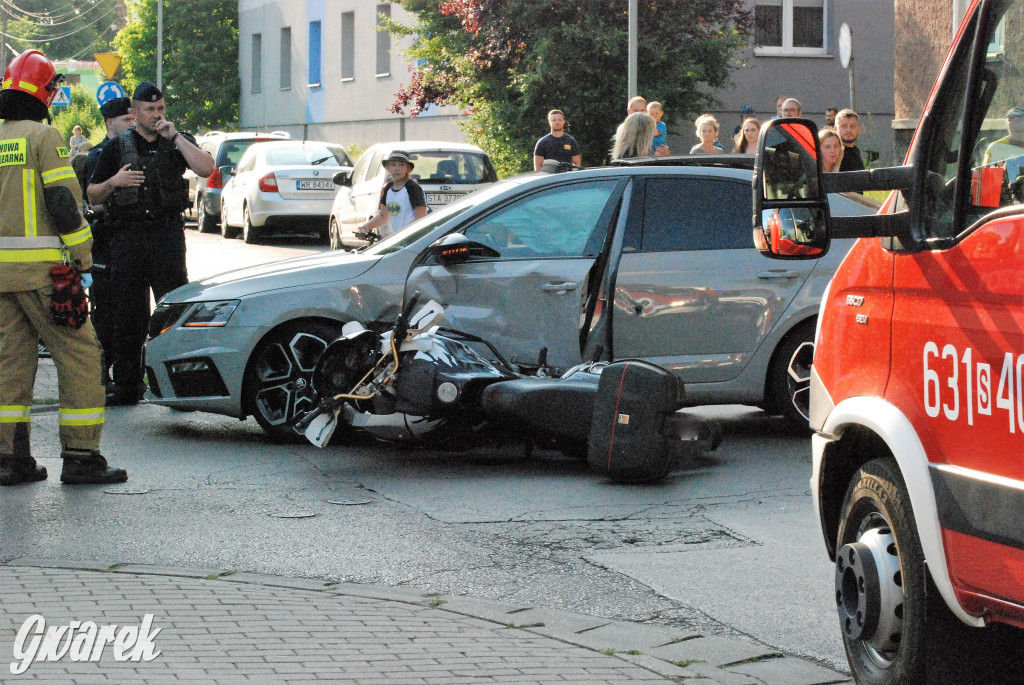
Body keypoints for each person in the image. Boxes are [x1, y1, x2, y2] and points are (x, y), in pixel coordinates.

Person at [0, 50, 127, 486]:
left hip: (2, 279)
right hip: (42, 274)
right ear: (47, 93)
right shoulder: (46, 137)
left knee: (10, 366)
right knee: (82, 358)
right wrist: (83, 256)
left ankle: (10, 460)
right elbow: (61, 203)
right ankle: (81, 458)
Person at [87, 82, 214, 406]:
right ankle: (128, 385)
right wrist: (115, 183)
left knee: (175, 312)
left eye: (160, 109)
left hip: (166, 237)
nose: (157, 115)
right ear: (135, 113)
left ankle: (182, 386)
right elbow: (93, 194)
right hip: (128, 237)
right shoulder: (117, 148)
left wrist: (176, 137)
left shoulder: (177, 141)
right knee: (129, 314)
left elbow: (206, 168)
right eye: (149, 110)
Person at [77, 97, 134, 388]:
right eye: (126, 120)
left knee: (130, 313)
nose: (132, 124)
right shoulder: (98, 154)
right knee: (107, 313)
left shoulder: (135, 150)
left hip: (129, 242)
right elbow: (93, 201)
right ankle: (101, 375)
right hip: (105, 242)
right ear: (110, 122)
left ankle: (129, 377)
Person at [357, 150, 427, 239]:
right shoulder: (388, 188)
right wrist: (365, 228)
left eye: (401, 165)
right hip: (397, 240)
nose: (397, 169)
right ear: (388, 168)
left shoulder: (412, 188)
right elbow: (383, 216)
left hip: (412, 240)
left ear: (408, 169)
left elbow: (421, 219)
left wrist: (397, 235)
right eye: (393, 165)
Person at [983, 107, 1024, 181]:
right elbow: (986, 178)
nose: (1013, 123)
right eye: (1010, 120)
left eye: (1018, 120)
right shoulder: (995, 148)